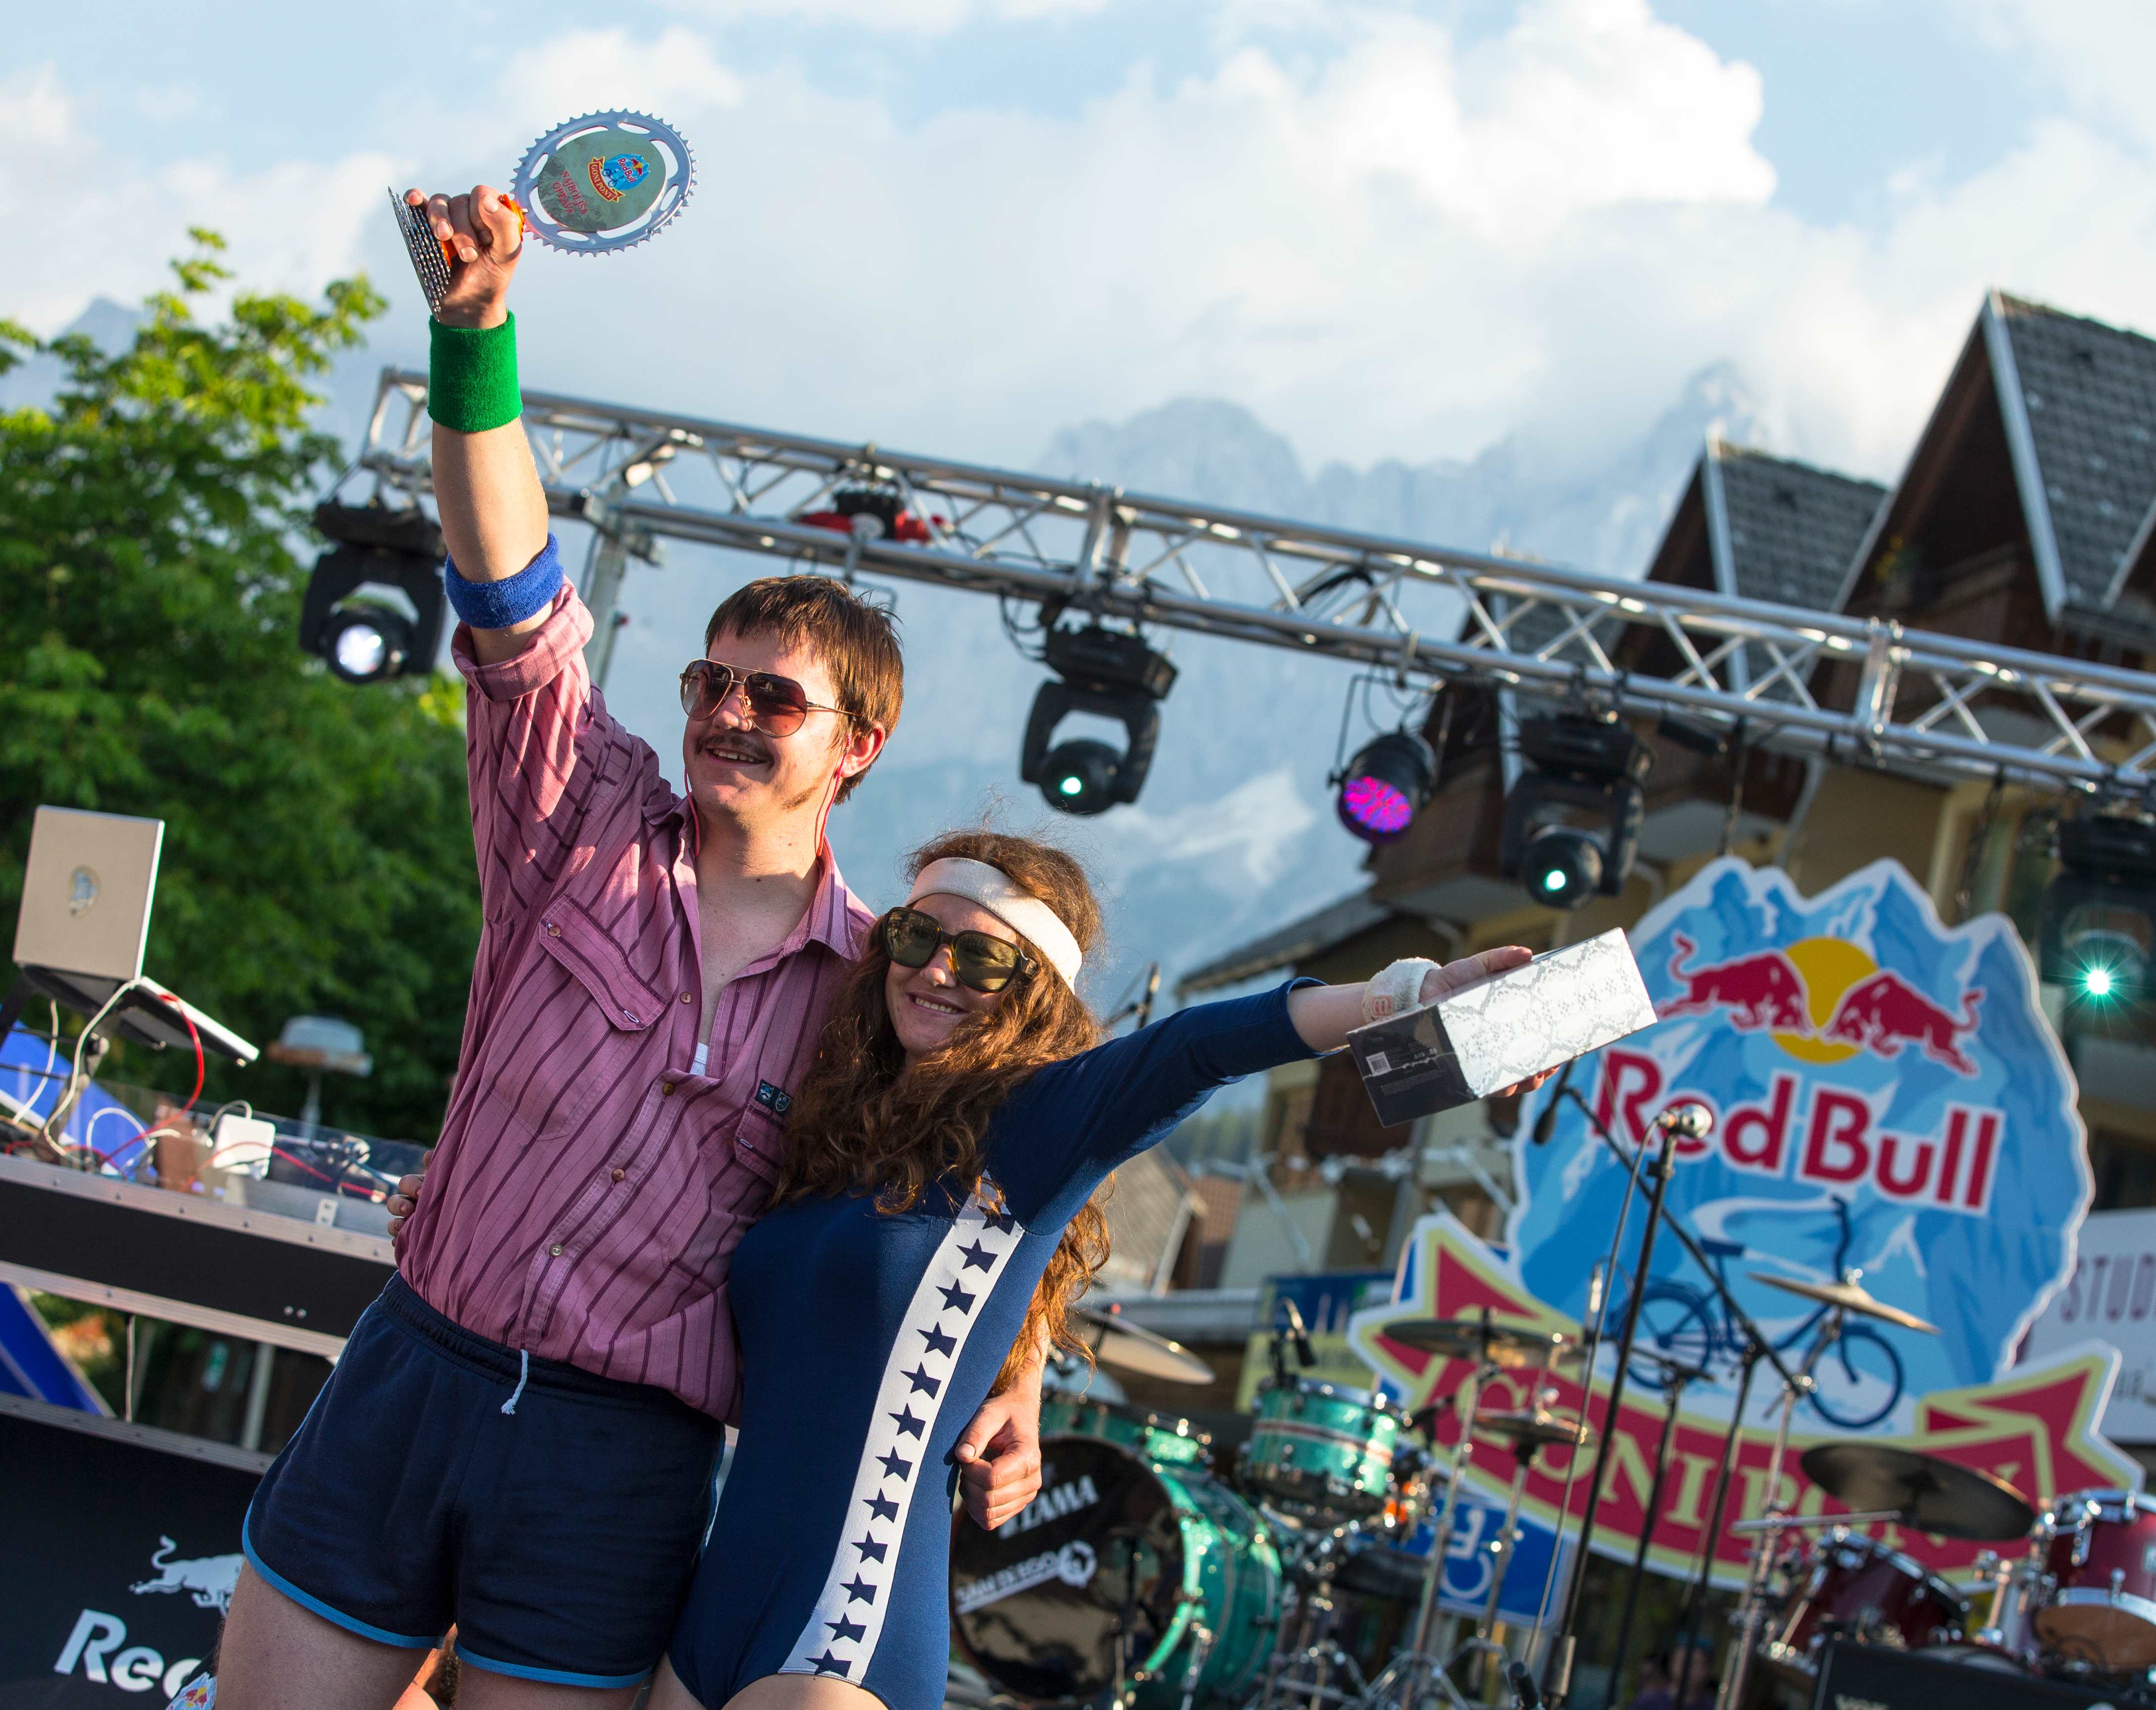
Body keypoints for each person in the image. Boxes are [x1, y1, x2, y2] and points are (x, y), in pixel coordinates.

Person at [205, 185, 1043, 1709]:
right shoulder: (575, 815)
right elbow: (510, 590)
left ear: (857, 744)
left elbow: (989, 1186)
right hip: (413, 1374)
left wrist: (1024, 1374)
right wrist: (476, 332)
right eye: (710, 682)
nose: (727, 710)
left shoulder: (882, 989)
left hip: (618, 1466)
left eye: (772, 697)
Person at [642, 828, 1555, 1710]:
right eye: (915, 937)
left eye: (981, 958)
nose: (936, 971)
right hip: (714, 1607)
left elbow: (1197, 1048)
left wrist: (1409, 994)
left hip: (845, 1625)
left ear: (1033, 992)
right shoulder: (840, 1129)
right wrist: (1022, 1370)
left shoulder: (1037, 1128)